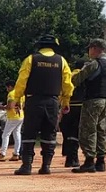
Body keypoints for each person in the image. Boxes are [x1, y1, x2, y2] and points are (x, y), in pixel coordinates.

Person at [12, 34, 74, 175]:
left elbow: (21, 82)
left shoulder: (31, 59)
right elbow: (67, 84)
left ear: (39, 46)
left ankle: (26, 166)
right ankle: (46, 166)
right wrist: (66, 101)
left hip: (34, 101)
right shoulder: (61, 61)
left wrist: (16, 99)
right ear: (54, 47)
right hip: (52, 102)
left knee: (29, 133)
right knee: (49, 133)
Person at [72, 38, 106, 173]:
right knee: (101, 130)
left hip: (92, 101)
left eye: (90, 48)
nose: (89, 51)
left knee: (88, 130)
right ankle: (101, 161)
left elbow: (76, 80)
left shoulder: (93, 64)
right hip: (105, 100)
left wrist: (77, 72)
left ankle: (89, 161)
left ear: (95, 48)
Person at [60, 60, 85, 168]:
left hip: (68, 106)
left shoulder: (69, 75)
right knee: (75, 133)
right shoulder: (84, 76)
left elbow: (63, 91)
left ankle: (69, 157)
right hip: (81, 107)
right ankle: (73, 157)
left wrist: (62, 105)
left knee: (68, 133)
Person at [0, 80, 24, 162]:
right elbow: (22, 104)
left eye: (7, 87)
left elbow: (10, 107)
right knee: (17, 134)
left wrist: (0, 107)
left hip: (13, 117)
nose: (7, 89)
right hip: (20, 115)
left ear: (10, 86)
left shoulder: (11, 94)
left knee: (5, 135)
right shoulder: (20, 93)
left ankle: (2, 154)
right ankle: (16, 154)